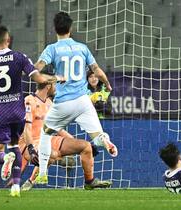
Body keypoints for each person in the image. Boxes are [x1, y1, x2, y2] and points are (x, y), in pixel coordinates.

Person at [0, 25, 56, 197]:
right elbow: (38, 77)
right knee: (15, 146)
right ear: (8, 39)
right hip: (17, 111)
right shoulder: (19, 57)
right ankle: (16, 186)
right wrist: (56, 78)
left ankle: (4, 159)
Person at [33, 12, 118, 185]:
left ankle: (42, 173)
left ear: (55, 29)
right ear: (70, 28)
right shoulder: (82, 48)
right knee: (96, 136)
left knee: (45, 134)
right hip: (83, 102)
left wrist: (53, 78)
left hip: (63, 103)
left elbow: (36, 70)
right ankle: (104, 140)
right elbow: (96, 70)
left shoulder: (52, 49)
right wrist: (107, 84)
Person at [16, 82, 111, 190]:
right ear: (48, 86)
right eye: (55, 84)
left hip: (49, 139)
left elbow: (58, 129)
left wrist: (74, 141)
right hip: (30, 142)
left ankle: (89, 181)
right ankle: (29, 178)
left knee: (85, 146)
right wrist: (31, 148)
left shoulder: (50, 103)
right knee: (52, 154)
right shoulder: (29, 100)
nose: (57, 87)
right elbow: (27, 129)